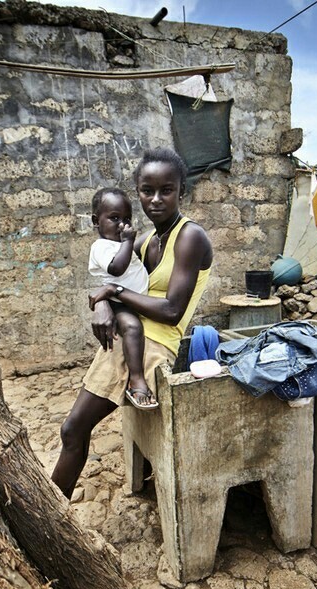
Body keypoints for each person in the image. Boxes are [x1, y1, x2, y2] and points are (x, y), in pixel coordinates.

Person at [52, 148, 213, 498]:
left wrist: (114, 294)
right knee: (72, 430)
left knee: (73, 428)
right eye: (146, 190)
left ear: (181, 191)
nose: (155, 199)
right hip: (128, 337)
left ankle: (48, 517)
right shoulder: (142, 241)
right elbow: (107, 279)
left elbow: (171, 310)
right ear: (137, 191)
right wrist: (102, 306)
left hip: (154, 346)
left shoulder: (190, 237)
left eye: (166, 190)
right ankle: (51, 513)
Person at [86, 187, 156, 410]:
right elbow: (116, 269)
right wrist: (127, 242)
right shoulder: (101, 247)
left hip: (128, 300)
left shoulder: (116, 244)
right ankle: (137, 379)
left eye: (127, 219)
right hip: (119, 304)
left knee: (135, 327)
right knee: (133, 328)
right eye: (114, 218)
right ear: (96, 221)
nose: (122, 225)